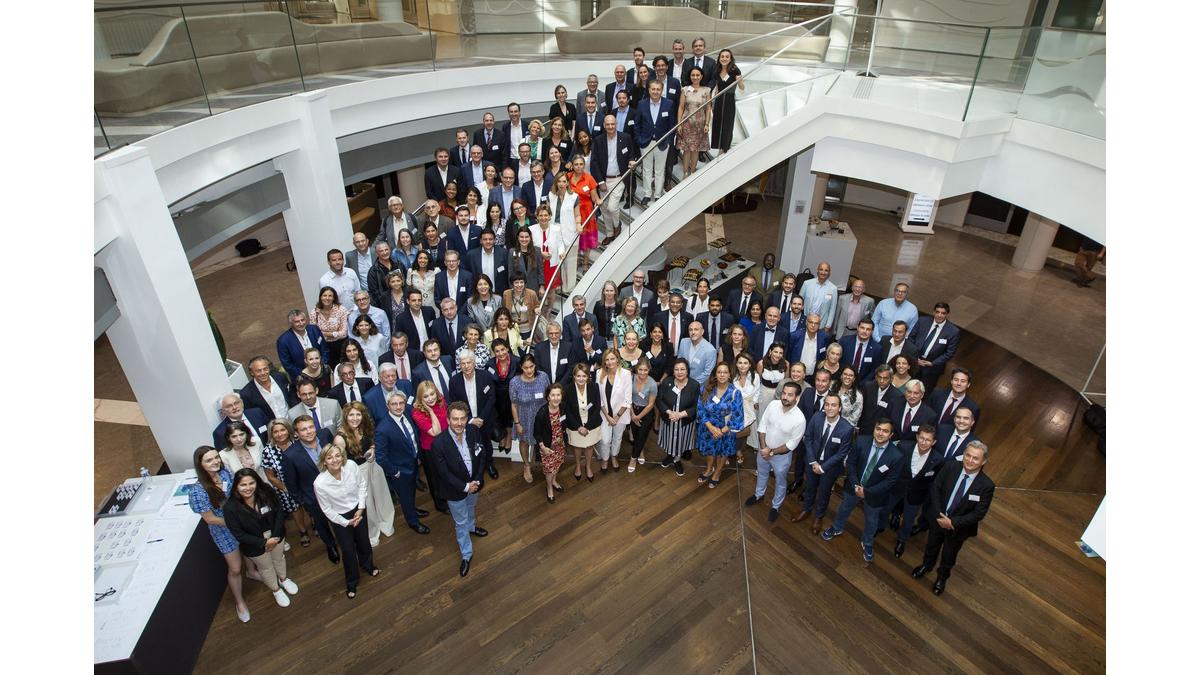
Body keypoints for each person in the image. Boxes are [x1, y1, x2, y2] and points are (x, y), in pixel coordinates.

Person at [911, 441, 995, 596]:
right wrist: (939, 514)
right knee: (931, 546)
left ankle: (942, 577)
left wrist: (952, 522)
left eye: (975, 458)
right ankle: (926, 566)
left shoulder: (986, 485)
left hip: (958, 529)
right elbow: (936, 488)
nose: (970, 460)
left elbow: (979, 513)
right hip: (937, 520)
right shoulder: (950, 467)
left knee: (949, 555)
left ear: (983, 461)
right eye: (967, 455)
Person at [820, 418, 905, 562]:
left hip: (875, 495)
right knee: (844, 509)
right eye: (878, 429)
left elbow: (890, 482)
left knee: (872, 521)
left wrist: (867, 492)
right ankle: (836, 527)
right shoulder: (861, 441)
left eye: (885, 431)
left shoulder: (897, 456)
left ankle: (867, 542)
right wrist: (855, 485)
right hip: (854, 487)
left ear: (891, 435)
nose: (880, 433)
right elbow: (851, 464)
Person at [189, 446, 253, 622]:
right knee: (235, 568)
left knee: (249, 551)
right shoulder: (198, 491)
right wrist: (235, 522)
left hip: (239, 521)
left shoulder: (225, 474)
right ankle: (239, 602)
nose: (215, 461)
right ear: (200, 465)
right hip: (223, 530)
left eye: (216, 457)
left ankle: (252, 572)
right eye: (209, 460)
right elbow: (210, 519)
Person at [224, 468, 300, 608]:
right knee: (266, 567)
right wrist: (264, 542)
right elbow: (238, 534)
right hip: (254, 544)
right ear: (236, 486)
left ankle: (283, 579)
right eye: (243, 485)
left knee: (279, 558)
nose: (248, 488)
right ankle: (276, 590)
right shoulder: (230, 507)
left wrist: (275, 536)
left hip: (276, 535)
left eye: (251, 483)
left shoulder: (266, 491)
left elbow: (279, 512)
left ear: (257, 482)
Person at [430, 402, 490, 578]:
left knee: (471, 508)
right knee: (460, 522)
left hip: (475, 484)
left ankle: (472, 527)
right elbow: (444, 473)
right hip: (454, 491)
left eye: (463, 418)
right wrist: (465, 486)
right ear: (448, 420)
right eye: (455, 419)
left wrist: (477, 479)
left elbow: (481, 454)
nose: (459, 423)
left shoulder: (473, 431)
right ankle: (466, 554)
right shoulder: (439, 444)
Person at [314, 443, 379, 598]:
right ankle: (352, 581)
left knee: (364, 541)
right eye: (329, 457)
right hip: (339, 518)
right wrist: (345, 522)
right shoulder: (319, 483)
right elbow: (327, 509)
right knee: (348, 550)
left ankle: (368, 565)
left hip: (358, 509)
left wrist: (361, 508)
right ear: (324, 462)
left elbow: (362, 485)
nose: (335, 460)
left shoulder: (351, 466)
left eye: (337, 455)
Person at [334, 401, 395, 546]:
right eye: (351, 415)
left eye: (358, 414)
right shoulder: (340, 438)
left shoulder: (364, 427)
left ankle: (386, 522)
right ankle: (372, 532)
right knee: (367, 504)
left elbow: (373, 441)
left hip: (373, 465)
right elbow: (340, 463)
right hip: (357, 472)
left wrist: (373, 449)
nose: (355, 418)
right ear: (345, 416)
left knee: (381, 496)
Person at [744, 381, 806, 522]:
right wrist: (763, 448)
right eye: (784, 393)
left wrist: (771, 452)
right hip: (763, 450)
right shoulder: (773, 405)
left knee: (780, 481)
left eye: (790, 395)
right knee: (762, 473)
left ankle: (776, 506)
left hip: (781, 458)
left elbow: (791, 445)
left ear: (797, 397)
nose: (785, 397)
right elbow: (762, 426)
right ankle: (759, 495)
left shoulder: (800, 419)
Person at [793, 394, 855, 534]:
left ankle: (819, 517)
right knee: (809, 487)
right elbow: (808, 438)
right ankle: (806, 509)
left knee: (824, 493)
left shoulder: (847, 429)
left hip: (830, 467)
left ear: (840, 408)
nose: (829, 408)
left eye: (833, 405)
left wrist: (822, 467)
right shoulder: (817, 417)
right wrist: (813, 461)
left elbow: (841, 453)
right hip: (812, 462)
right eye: (827, 404)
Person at [373, 390, 431, 535]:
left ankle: (413, 510)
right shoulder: (382, 429)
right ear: (388, 406)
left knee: (411, 493)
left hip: (414, 463)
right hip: (400, 471)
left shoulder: (408, 416)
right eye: (394, 404)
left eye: (401, 403)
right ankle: (413, 522)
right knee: (405, 497)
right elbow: (381, 457)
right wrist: (395, 472)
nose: (398, 407)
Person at [281, 416, 338, 563]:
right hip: (313, 498)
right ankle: (331, 546)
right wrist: (304, 501)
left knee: (340, 518)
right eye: (304, 429)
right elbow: (291, 484)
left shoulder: (325, 435)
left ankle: (346, 541)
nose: (309, 431)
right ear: (296, 433)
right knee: (321, 524)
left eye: (311, 427)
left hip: (337, 489)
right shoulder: (289, 455)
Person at [888, 424, 944, 558]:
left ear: (934, 442)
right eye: (922, 438)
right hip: (897, 488)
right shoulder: (903, 447)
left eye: (928, 440)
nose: (924, 442)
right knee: (886, 509)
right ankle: (882, 525)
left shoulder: (938, 460)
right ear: (917, 437)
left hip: (917, 495)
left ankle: (902, 540)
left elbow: (933, 482)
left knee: (908, 521)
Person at [449, 351, 499, 479]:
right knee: (471, 446)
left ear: (474, 362)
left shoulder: (485, 376)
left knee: (486, 443)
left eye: (469, 362)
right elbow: (454, 404)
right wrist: (471, 420)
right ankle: (476, 469)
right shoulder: (454, 381)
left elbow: (491, 398)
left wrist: (481, 418)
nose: (466, 366)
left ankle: (489, 464)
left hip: (485, 419)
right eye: (463, 363)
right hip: (466, 422)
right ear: (459, 365)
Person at [261, 419, 308, 547]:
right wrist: (286, 489)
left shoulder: (298, 442)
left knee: (311, 504)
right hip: (285, 487)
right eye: (275, 432)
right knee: (295, 508)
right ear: (271, 434)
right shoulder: (268, 451)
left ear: (288, 430)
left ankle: (316, 523)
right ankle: (303, 531)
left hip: (305, 481)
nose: (280, 434)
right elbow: (270, 476)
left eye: (282, 430)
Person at [696, 362, 744, 488]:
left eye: (725, 372)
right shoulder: (706, 389)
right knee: (709, 450)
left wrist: (721, 431)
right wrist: (710, 427)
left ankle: (717, 473)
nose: (722, 375)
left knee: (723, 452)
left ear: (729, 375)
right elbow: (700, 409)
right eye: (719, 372)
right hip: (708, 428)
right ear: (715, 375)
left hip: (725, 430)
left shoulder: (735, 393)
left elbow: (737, 416)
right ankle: (709, 469)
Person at [510, 352, 551, 484]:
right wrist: (517, 423)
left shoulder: (543, 377)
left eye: (531, 366)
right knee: (524, 442)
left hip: (542, 418)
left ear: (535, 365)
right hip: (524, 418)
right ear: (521, 367)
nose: (529, 370)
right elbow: (514, 405)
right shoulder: (515, 382)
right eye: (526, 367)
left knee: (544, 441)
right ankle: (526, 465)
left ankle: (546, 464)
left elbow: (550, 397)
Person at [634, 80, 677, 204]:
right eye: (653, 89)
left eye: (658, 89)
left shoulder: (668, 104)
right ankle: (647, 194)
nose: (655, 92)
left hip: (662, 143)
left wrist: (669, 141)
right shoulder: (642, 104)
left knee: (660, 170)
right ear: (649, 90)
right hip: (645, 143)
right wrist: (639, 140)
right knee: (646, 170)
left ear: (662, 90)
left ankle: (658, 195)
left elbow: (672, 125)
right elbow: (637, 124)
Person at [411, 381, 450, 514]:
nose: (430, 398)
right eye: (426, 396)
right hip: (430, 450)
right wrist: (431, 411)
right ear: (420, 398)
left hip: (446, 444)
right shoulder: (417, 413)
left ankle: (450, 495)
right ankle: (440, 504)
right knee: (435, 479)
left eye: (432, 394)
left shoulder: (441, 400)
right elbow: (436, 431)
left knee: (447, 473)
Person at [657, 358, 700, 477]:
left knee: (681, 441)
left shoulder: (694, 385)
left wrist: (680, 415)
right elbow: (659, 400)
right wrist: (669, 412)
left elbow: (696, 406)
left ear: (687, 371)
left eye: (682, 369)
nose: (679, 372)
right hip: (668, 419)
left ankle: (677, 459)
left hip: (685, 422)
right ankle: (670, 455)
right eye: (676, 369)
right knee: (669, 439)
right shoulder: (667, 382)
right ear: (673, 371)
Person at [563, 363, 602, 481]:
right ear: (574, 376)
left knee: (589, 446)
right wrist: (579, 427)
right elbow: (567, 411)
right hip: (575, 424)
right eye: (578, 376)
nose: (581, 379)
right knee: (577, 447)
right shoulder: (567, 389)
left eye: (584, 376)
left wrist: (587, 427)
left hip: (591, 423)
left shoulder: (594, 387)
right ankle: (578, 466)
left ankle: (588, 466)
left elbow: (597, 408)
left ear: (588, 376)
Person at [595, 349, 632, 472]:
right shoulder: (599, 373)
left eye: (612, 358)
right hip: (605, 413)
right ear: (604, 361)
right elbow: (599, 398)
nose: (610, 362)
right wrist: (608, 417)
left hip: (620, 414)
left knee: (617, 438)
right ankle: (605, 458)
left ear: (617, 359)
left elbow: (627, 399)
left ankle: (614, 456)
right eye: (607, 359)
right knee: (605, 440)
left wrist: (616, 417)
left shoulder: (626, 374)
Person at [909, 302, 961, 390]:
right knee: (910, 387)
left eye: (943, 313)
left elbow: (950, 352)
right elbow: (911, 338)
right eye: (937, 312)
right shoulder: (922, 321)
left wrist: (932, 363)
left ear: (947, 315)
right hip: (915, 362)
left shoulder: (953, 331)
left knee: (926, 390)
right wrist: (915, 357)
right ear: (933, 312)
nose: (939, 315)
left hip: (933, 368)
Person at [533, 382, 569, 503]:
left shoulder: (563, 407)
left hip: (560, 444)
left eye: (558, 395)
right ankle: (549, 488)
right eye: (553, 395)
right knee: (550, 470)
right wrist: (542, 447)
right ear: (548, 397)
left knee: (557, 465)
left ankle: (554, 481)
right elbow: (536, 433)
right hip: (547, 447)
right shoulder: (542, 413)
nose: (556, 398)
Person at [547, 172, 583, 288]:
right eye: (559, 181)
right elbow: (547, 214)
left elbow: (577, 215)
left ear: (567, 183)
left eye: (564, 181)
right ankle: (558, 286)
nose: (561, 184)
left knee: (570, 262)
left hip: (569, 232)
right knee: (556, 261)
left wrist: (578, 224)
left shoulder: (574, 197)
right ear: (556, 183)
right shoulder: (550, 196)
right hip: (554, 233)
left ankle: (570, 287)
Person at [675, 66, 711, 179]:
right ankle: (686, 172)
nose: (695, 77)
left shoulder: (706, 90)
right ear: (690, 76)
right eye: (693, 75)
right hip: (686, 123)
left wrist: (707, 124)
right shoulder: (685, 89)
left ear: (701, 76)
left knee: (695, 150)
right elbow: (681, 107)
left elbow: (708, 109)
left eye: (697, 75)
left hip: (699, 125)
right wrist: (679, 124)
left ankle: (693, 171)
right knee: (686, 150)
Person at [240, 357, 296, 424]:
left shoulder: (280, 377)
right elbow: (252, 416)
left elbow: (290, 394)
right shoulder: (246, 394)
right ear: (251, 373)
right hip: (271, 427)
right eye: (258, 371)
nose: (263, 373)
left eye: (265, 369)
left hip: (291, 421)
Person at [626, 358, 658, 472]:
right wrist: (633, 414)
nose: (642, 372)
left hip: (646, 413)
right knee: (636, 436)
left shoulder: (652, 384)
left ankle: (633, 458)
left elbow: (651, 404)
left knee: (641, 436)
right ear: (636, 369)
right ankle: (640, 451)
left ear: (649, 370)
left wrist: (638, 417)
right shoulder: (631, 379)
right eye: (640, 369)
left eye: (645, 370)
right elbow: (627, 397)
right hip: (632, 410)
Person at [277, 309, 328, 380]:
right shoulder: (283, 341)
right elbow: (287, 364)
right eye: (297, 322)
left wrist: (321, 366)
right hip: (301, 377)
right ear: (291, 323)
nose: (301, 323)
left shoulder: (314, 329)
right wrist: (305, 374)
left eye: (302, 320)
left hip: (321, 372)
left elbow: (325, 350)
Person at [710, 48, 744, 152]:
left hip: (729, 100)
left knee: (727, 125)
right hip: (719, 100)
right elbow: (715, 87)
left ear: (730, 59)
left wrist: (740, 81)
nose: (724, 58)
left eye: (727, 57)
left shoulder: (735, 70)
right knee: (717, 124)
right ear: (719, 58)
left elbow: (742, 88)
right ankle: (719, 147)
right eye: (722, 56)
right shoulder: (717, 70)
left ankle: (724, 149)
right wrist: (711, 101)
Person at [731, 352, 761, 466]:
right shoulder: (732, 376)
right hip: (734, 408)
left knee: (743, 432)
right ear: (736, 364)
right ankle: (729, 450)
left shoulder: (755, 376)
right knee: (732, 431)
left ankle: (738, 450)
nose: (742, 365)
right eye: (740, 363)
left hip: (748, 408)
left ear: (750, 365)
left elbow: (757, 391)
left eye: (745, 363)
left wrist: (755, 402)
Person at [568, 155, 600, 260]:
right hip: (571, 211)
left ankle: (586, 261)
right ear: (572, 166)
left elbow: (594, 197)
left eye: (581, 164)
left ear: (584, 165)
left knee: (586, 238)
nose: (578, 166)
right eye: (576, 164)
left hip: (586, 211)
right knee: (573, 237)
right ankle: (575, 260)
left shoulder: (589, 178)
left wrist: (598, 200)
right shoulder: (567, 177)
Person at [219, 421, 267, 485]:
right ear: (228, 438)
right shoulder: (223, 455)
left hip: (263, 482)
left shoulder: (256, 442)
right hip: (243, 487)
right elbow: (229, 478)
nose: (239, 439)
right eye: (234, 436)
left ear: (246, 434)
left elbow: (265, 464)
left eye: (241, 434)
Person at [465, 228, 509, 296]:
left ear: (494, 240)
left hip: (499, 294)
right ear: (480, 241)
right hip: (479, 295)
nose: (488, 241)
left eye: (490, 239)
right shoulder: (471, 255)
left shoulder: (504, 253)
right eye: (485, 239)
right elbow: (468, 277)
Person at [838, 318, 883, 382]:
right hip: (842, 379)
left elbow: (874, 371)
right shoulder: (845, 341)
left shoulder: (877, 349)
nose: (864, 331)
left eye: (868, 329)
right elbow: (838, 362)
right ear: (857, 328)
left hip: (863, 383)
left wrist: (862, 384)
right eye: (862, 328)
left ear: (872, 331)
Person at [799, 262, 838, 332]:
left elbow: (832, 309)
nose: (823, 272)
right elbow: (799, 302)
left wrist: (828, 326)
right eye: (821, 269)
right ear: (817, 271)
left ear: (829, 273)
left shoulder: (833, 289)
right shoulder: (807, 284)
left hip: (821, 325)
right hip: (805, 322)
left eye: (826, 270)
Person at [395, 287, 436, 353]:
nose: (417, 303)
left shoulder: (429, 311)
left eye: (419, 300)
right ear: (408, 301)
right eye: (414, 300)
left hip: (431, 350)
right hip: (414, 353)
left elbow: (434, 330)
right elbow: (400, 339)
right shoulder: (401, 319)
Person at [504, 271, 541, 342]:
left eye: (521, 282)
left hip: (527, 328)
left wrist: (536, 309)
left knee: (525, 346)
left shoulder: (531, 294)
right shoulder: (506, 294)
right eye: (516, 282)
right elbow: (504, 309)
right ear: (512, 284)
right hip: (512, 328)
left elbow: (536, 305)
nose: (519, 285)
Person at [677, 321, 717, 385]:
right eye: (690, 330)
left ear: (702, 332)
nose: (693, 332)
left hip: (699, 385)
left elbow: (708, 373)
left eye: (696, 329)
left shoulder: (710, 350)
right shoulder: (683, 342)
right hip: (680, 382)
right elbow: (678, 363)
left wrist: (691, 385)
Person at [509, 229, 545, 299]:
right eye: (521, 237)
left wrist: (542, 286)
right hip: (518, 288)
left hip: (534, 288)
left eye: (526, 237)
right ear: (518, 238)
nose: (524, 239)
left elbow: (540, 270)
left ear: (530, 237)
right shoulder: (512, 252)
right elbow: (510, 272)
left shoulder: (537, 250)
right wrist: (512, 289)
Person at [831, 365, 864, 430]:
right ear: (841, 376)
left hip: (843, 429)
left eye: (851, 375)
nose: (847, 377)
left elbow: (854, 420)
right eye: (845, 374)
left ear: (854, 378)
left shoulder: (858, 396)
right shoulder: (831, 385)